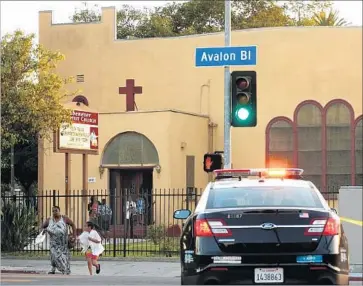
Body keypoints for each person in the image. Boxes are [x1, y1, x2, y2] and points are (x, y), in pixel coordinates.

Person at [41, 206, 76, 275]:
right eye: (53, 211)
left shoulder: (64, 218)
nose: (54, 212)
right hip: (53, 242)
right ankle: (58, 269)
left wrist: (74, 236)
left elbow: (73, 225)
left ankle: (65, 269)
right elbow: (42, 226)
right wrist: (42, 231)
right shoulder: (49, 220)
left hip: (63, 242)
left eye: (56, 211)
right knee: (54, 256)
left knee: (64, 256)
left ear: (59, 211)